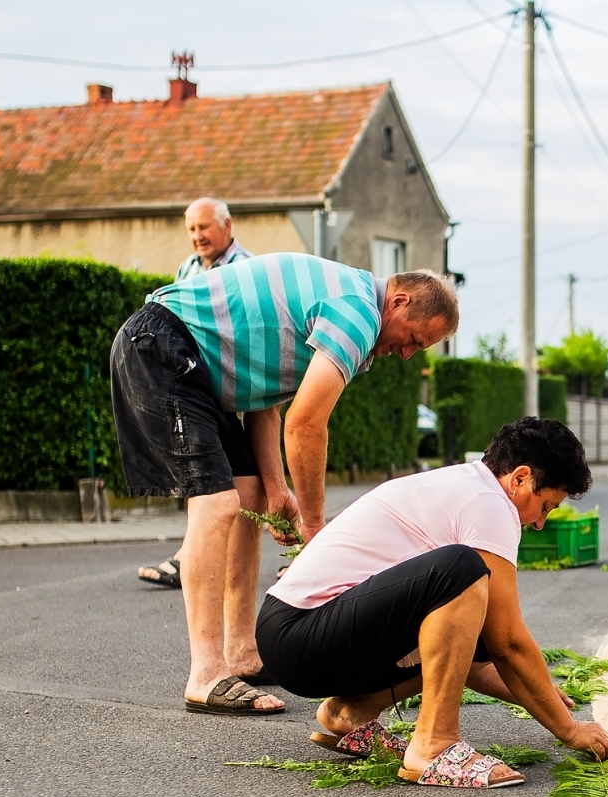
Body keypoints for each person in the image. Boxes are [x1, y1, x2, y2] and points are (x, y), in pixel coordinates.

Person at [109, 251, 458, 715]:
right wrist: (316, 532)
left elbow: (263, 396)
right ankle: (205, 674)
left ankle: (241, 652)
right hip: (161, 346)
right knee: (216, 503)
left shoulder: (347, 303)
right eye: (413, 338)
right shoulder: (357, 314)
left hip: (196, 364)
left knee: (249, 496)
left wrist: (277, 489)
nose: (408, 353)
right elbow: (306, 424)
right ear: (397, 300)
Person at [256, 419, 608, 787]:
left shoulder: (465, 485)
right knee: (461, 569)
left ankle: (351, 712)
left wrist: (537, 692)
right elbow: (509, 644)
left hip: (294, 635)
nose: (539, 523)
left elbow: (468, 648)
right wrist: (569, 730)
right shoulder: (489, 503)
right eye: (545, 507)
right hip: (301, 634)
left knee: (476, 615)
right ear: (519, 478)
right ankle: (433, 745)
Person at [137, 197, 256, 591]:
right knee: (204, 478)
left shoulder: (247, 269)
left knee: (238, 479)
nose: (197, 236)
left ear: (228, 226)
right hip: (194, 384)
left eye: (204, 227)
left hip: (232, 386)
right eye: (191, 230)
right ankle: (192, 557)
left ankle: (203, 559)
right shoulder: (186, 270)